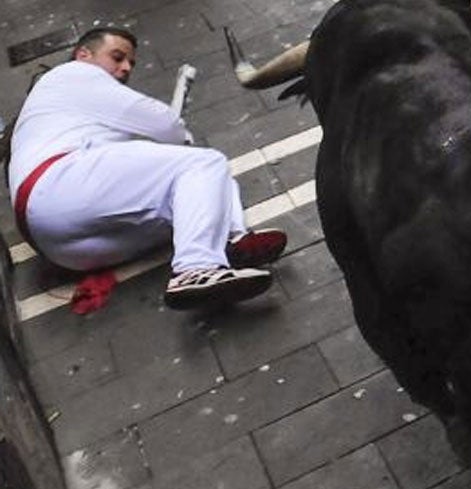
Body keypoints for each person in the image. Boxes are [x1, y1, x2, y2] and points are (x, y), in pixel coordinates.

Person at [8, 25, 284, 309]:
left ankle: (236, 241)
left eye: (130, 63)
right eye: (117, 57)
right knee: (206, 163)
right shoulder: (74, 74)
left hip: (64, 250)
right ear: (83, 54)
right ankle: (196, 267)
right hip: (58, 184)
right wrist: (180, 138)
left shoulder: (69, 106)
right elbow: (165, 126)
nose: (126, 67)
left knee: (201, 191)